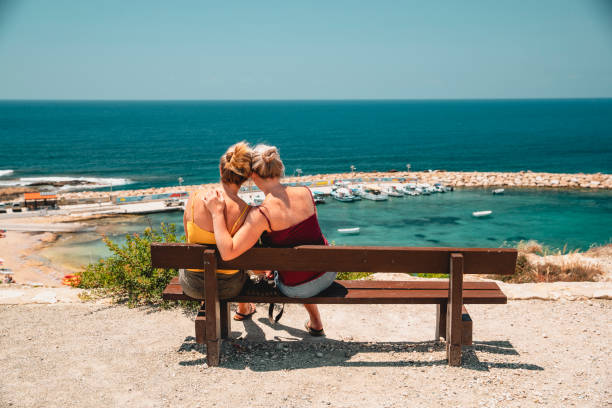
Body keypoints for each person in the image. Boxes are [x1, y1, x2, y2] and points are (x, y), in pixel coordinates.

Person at [203, 144, 336, 336]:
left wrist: (216, 213)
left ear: (253, 176)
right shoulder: (306, 192)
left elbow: (228, 251)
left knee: (290, 269)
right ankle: (316, 321)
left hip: (297, 288)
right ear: (279, 169)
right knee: (304, 261)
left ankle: (244, 308)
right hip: (327, 273)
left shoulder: (261, 214)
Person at [181, 142, 256, 321]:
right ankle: (244, 309)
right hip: (229, 288)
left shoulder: (193, 198)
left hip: (192, 284)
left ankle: (223, 304)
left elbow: (188, 240)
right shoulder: (247, 212)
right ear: (246, 177)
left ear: (221, 170)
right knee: (241, 265)